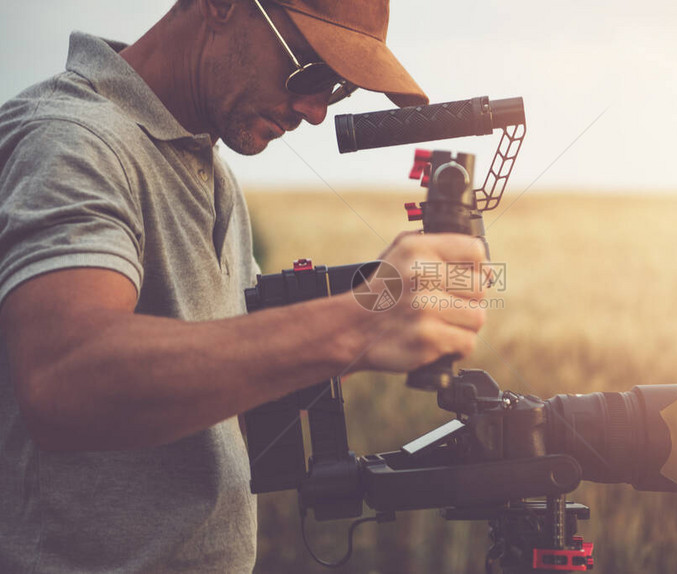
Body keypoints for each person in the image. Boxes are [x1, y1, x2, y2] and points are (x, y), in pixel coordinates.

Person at [0, 0, 486, 572]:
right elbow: (67, 379)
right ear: (222, 7)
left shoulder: (211, 170)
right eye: (311, 72)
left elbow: (221, 377)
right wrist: (358, 322)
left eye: (338, 91)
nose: (314, 111)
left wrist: (389, 318)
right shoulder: (71, 141)